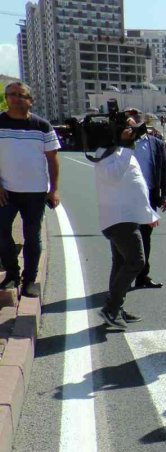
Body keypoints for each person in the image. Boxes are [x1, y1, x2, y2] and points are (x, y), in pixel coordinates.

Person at [94, 118, 160, 329]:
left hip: (126, 216)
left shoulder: (120, 151)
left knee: (121, 263)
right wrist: (125, 146)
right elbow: (113, 177)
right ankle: (110, 308)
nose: (132, 132)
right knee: (136, 261)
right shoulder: (105, 152)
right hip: (119, 218)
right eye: (127, 127)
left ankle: (115, 308)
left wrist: (148, 214)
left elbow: (134, 184)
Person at [0, 82, 61, 298]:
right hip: (6, 191)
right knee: (2, 233)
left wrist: (53, 190)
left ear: (30, 100)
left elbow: (53, 160)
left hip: (35, 192)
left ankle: (29, 281)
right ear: (6, 98)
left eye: (21, 95)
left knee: (32, 237)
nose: (16, 99)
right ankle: (12, 275)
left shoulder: (42, 126)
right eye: (12, 95)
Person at [125, 108, 166, 290]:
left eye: (137, 118)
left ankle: (142, 276)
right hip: (126, 195)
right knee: (126, 238)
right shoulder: (122, 144)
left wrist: (165, 195)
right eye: (130, 119)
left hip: (149, 196)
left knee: (145, 237)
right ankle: (123, 277)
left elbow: (164, 170)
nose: (134, 121)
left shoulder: (155, 144)